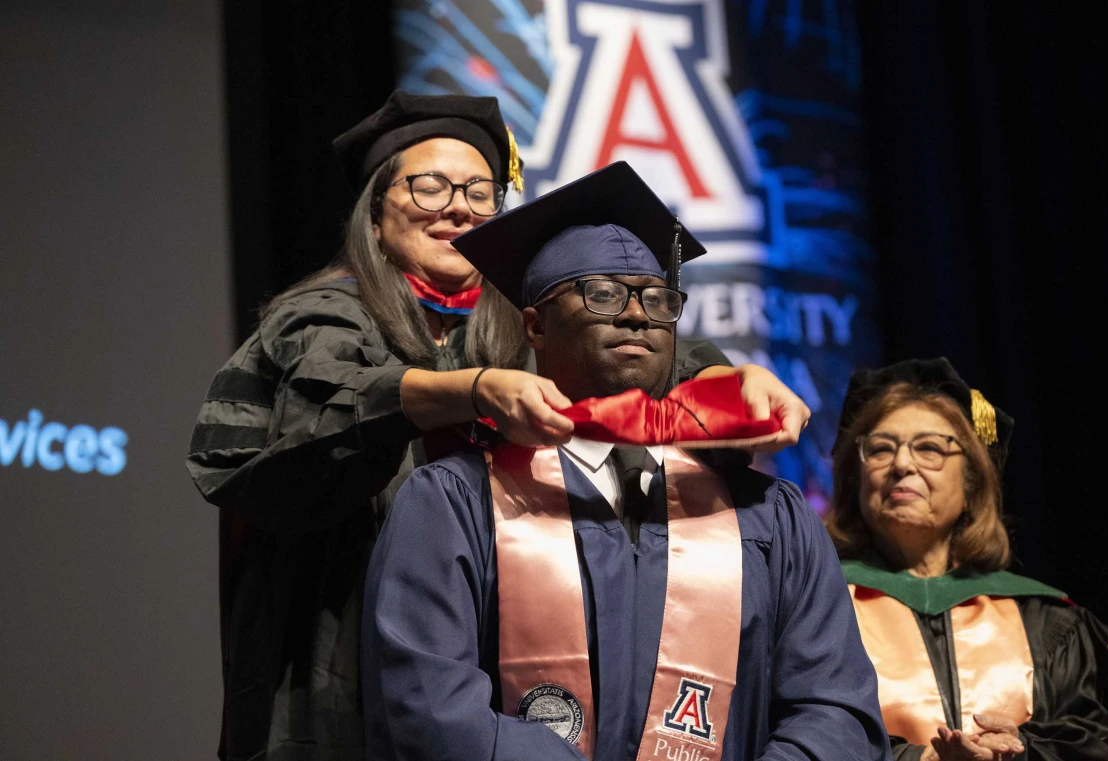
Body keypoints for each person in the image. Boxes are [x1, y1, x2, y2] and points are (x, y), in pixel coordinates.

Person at [186, 91, 811, 761]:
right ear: (373, 214)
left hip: (501, 656)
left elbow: (638, 365)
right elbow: (322, 411)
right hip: (337, 652)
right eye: (430, 185)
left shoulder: (516, 323)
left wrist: (733, 381)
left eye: (480, 192)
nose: (458, 205)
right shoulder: (323, 317)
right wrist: (474, 390)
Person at [361, 161, 891, 761]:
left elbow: (836, 708)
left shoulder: (767, 512)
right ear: (535, 325)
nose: (638, 313)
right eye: (603, 292)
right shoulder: (455, 500)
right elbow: (425, 706)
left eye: (658, 299)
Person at [825, 357, 1108, 761]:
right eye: (881, 449)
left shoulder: (1045, 620)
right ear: (857, 480)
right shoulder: (821, 611)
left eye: (929, 448)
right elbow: (783, 730)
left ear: (972, 481)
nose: (902, 465)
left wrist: (1025, 750)